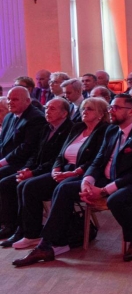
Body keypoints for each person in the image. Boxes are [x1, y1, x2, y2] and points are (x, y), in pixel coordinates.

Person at [15, 94, 132, 264]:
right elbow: (98, 161)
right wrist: (87, 181)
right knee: (64, 188)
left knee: (116, 199)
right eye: (110, 107)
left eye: (116, 108)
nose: (111, 111)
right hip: (107, 179)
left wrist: (104, 190)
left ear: (130, 112)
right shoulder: (112, 131)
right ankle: (46, 245)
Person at [5, 98, 109, 250]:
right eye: (83, 108)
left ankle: (50, 240)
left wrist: (73, 172)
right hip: (64, 169)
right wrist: (56, 169)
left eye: (89, 109)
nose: (84, 111)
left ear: (100, 114)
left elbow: (97, 159)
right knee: (27, 186)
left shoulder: (105, 131)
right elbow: (61, 154)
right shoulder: (78, 127)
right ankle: (30, 234)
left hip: (84, 172)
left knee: (52, 189)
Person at [0, 98, 73, 248]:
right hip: (39, 168)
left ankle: (31, 233)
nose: (47, 111)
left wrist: (33, 173)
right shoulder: (47, 128)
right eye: (47, 108)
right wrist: (27, 169)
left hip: (57, 171)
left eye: (52, 109)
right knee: (13, 182)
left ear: (64, 113)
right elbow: (35, 154)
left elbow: (57, 158)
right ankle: (19, 228)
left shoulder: (70, 130)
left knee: (27, 186)